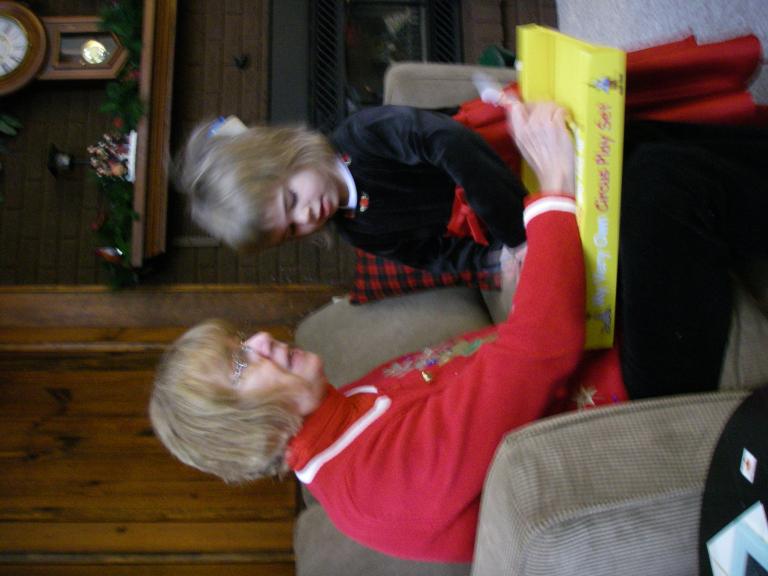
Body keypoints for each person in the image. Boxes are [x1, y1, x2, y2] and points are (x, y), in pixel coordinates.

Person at [151, 101, 768, 562]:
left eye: (241, 342)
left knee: (625, 159)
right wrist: (552, 191)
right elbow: (538, 353)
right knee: (659, 187)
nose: (260, 341)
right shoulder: (374, 483)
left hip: (596, 355)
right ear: (244, 426)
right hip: (634, 407)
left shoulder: (342, 407)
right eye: (240, 364)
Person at [175, 105, 529, 275]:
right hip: (511, 222)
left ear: (287, 153)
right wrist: (496, 259)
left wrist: (514, 234)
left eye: (291, 200)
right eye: (292, 229)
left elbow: (451, 143)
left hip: (508, 151)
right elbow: (433, 256)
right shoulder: (358, 230)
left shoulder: (363, 135)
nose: (306, 217)